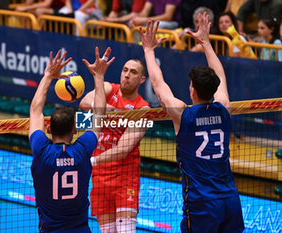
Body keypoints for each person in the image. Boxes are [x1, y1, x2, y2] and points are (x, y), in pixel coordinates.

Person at [140, 14, 245, 233]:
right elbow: (221, 77)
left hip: (202, 202)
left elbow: (158, 85)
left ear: (193, 90)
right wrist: (206, 43)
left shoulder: (183, 114)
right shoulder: (224, 108)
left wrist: (149, 50)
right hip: (230, 198)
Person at [29, 47, 114, 232]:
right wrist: (98, 76)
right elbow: (99, 113)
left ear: (48, 129)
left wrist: (48, 75)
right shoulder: (82, 150)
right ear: (75, 130)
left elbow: (35, 110)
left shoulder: (41, 150)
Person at [79, 59, 150, 232]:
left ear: (142, 79)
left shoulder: (143, 109)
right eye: (125, 70)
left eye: (133, 72)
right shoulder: (109, 89)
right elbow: (83, 103)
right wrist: (102, 107)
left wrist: (90, 162)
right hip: (100, 177)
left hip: (125, 176)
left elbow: (122, 150)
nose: (127, 75)